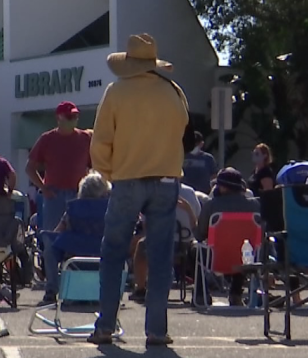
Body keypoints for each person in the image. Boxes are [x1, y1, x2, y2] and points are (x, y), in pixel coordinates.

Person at [89, 34, 189, 347]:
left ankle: (105, 325)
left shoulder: (116, 91)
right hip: (166, 179)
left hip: (128, 177)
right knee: (160, 255)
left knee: (114, 251)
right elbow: (182, 127)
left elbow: (102, 140)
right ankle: (156, 330)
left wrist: (108, 174)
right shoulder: (173, 91)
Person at [27, 101, 93, 306]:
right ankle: (51, 289)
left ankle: (79, 289)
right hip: (54, 194)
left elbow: (96, 165)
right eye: (69, 117)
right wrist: (43, 187)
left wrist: (91, 189)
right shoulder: (47, 139)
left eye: (75, 116)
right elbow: (30, 167)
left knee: (80, 241)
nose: (74, 120)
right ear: (59, 118)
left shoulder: (85, 138)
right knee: (51, 240)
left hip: (78, 195)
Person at [195, 168, 260, 307]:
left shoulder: (211, 205)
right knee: (244, 248)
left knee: (196, 250)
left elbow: (200, 234)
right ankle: (236, 293)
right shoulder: (255, 205)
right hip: (245, 260)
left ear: (223, 188)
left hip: (216, 259)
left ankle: (201, 294)